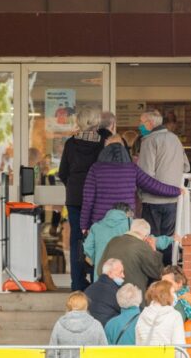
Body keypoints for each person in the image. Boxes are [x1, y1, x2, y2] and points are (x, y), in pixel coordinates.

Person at [81, 135, 182, 231]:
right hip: (125, 221)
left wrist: (84, 224)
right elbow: (153, 185)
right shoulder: (132, 168)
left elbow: (88, 199)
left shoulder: (95, 169)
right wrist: (176, 191)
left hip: (101, 222)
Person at [58, 106, 105, 291]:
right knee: (98, 239)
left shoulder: (71, 143)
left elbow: (63, 172)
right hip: (98, 198)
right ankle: (95, 281)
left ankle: (77, 284)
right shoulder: (103, 143)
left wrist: (73, 185)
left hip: (75, 197)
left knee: (76, 240)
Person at [137, 109, 189, 264]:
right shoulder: (175, 139)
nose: (139, 125)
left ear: (150, 123)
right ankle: (168, 277)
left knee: (152, 241)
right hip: (173, 200)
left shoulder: (149, 141)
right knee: (169, 242)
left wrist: (140, 194)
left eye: (142, 121)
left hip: (153, 201)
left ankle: (155, 279)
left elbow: (145, 174)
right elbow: (186, 167)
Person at [83, 203, 174, 272]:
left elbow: (87, 248)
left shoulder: (96, 226)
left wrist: (99, 259)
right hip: (123, 273)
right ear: (128, 213)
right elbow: (150, 240)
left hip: (102, 272)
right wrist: (171, 239)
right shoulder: (131, 224)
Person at [98, 219, 166, 296]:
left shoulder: (114, 240)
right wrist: (153, 249)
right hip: (131, 296)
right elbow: (157, 272)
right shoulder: (142, 247)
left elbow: (100, 268)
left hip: (107, 291)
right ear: (146, 237)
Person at [49, 291, 108, 356]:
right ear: (86, 306)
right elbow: (104, 350)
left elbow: (52, 352)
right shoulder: (96, 324)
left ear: (68, 306)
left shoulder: (59, 324)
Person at [162, 266, 191, 357]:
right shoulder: (186, 298)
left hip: (183, 352)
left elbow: (169, 326)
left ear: (179, 283)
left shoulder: (180, 302)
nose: (163, 286)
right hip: (188, 351)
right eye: (162, 283)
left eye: (167, 283)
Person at [135, 280, 186, 346]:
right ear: (165, 295)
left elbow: (138, 343)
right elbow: (179, 348)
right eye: (173, 292)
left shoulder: (142, 315)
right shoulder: (175, 316)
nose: (174, 296)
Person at [84, 258, 124, 326]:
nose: (123, 275)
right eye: (121, 272)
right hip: (108, 330)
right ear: (110, 273)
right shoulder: (116, 292)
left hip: (89, 328)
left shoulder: (88, 289)